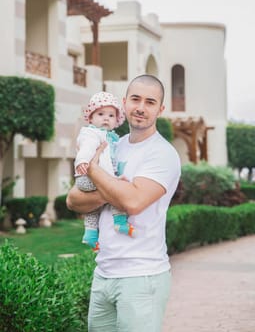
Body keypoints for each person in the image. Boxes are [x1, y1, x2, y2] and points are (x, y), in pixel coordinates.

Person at [67, 74, 181, 332]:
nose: (141, 107)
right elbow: (73, 199)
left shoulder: (162, 154)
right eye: (135, 99)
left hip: (141, 277)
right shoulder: (113, 142)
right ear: (124, 103)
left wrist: (94, 170)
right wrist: (118, 189)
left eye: (150, 102)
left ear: (160, 109)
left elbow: (133, 202)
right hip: (104, 273)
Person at [74, 91, 136, 253]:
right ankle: (120, 221)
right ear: (91, 118)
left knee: (93, 208)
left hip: (87, 178)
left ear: (117, 121)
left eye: (111, 115)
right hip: (87, 176)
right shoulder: (93, 133)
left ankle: (90, 234)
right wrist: (82, 161)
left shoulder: (111, 137)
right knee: (115, 189)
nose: (106, 118)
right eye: (100, 114)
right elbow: (86, 147)